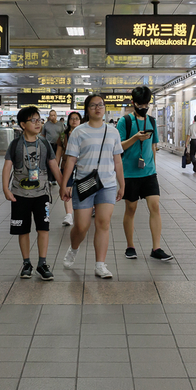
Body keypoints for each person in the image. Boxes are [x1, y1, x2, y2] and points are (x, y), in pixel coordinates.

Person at [61, 94, 125, 279]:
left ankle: (100, 265)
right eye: (93, 106)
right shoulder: (78, 132)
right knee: (81, 226)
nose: (98, 108)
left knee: (103, 223)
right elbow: (71, 160)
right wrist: (65, 184)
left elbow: (118, 161)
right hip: (85, 183)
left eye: (101, 105)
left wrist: (122, 184)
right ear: (87, 110)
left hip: (107, 184)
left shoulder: (113, 131)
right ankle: (73, 248)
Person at [2, 106, 62, 281]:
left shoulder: (43, 143)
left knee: (43, 228)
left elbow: (53, 166)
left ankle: (42, 264)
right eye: (33, 120)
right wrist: (5, 188)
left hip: (41, 194)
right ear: (23, 124)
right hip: (19, 194)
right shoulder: (15, 144)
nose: (38, 123)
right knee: (23, 230)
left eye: (39, 120)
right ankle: (26, 263)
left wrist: (63, 186)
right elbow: (7, 167)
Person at [118, 86, 173, 261]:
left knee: (155, 206)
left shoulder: (152, 121)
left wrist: (154, 168)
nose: (143, 106)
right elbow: (119, 147)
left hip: (149, 172)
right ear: (133, 103)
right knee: (131, 209)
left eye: (146, 103)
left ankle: (156, 248)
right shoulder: (125, 121)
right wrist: (135, 138)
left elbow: (153, 146)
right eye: (140, 103)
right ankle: (130, 246)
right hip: (130, 173)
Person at [55, 111, 82, 227]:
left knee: (83, 189)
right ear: (68, 121)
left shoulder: (85, 133)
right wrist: (55, 166)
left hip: (82, 167)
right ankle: (69, 214)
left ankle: (87, 210)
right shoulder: (63, 136)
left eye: (77, 118)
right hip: (66, 166)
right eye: (72, 118)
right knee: (67, 188)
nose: (74, 120)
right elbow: (59, 152)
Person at [40, 110, 65, 185]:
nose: (52, 117)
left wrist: (63, 144)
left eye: (54, 115)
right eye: (51, 115)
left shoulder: (60, 125)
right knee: (49, 162)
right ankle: (49, 178)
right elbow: (43, 135)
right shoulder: (46, 125)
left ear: (56, 115)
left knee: (56, 162)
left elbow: (63, 135)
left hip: (58, 146)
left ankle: (54, 179)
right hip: (48, 145)